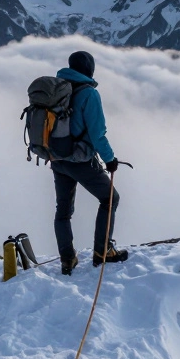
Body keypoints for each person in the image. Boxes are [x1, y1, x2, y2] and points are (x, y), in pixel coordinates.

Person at [52, 50, 128, 275]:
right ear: (88, 68)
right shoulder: (89, 94)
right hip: (80, 160)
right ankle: (103, 252)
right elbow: (97, 134)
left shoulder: (57, 89)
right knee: (110, 198)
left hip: (57, 158)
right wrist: (110, 159)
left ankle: (67, 259)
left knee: (63, 211)